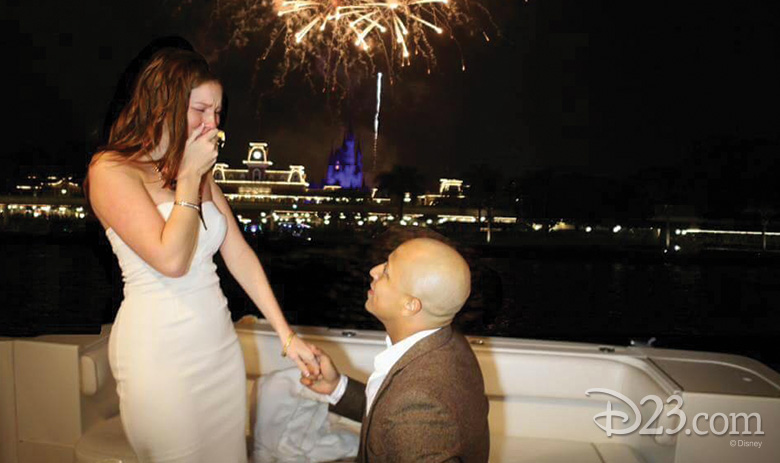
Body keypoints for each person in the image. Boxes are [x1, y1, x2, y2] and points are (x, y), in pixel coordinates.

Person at [86, 47, 319, 463]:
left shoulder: (198, 173)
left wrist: (287, 335)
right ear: (164, 104)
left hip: (217, 347)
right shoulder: (112, 170)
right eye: (201, 110)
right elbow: (171, 261)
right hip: (160, 355)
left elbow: (239, 253)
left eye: (218, 113)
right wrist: (190, 176)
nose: (213, 124)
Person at [301, 238, 490, 462]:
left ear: (410, 305)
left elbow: (408, 412)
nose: (374, 271)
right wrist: (336, 387)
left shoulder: (420, 406)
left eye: (387, 272)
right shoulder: (450, 342)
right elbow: (391, 412)